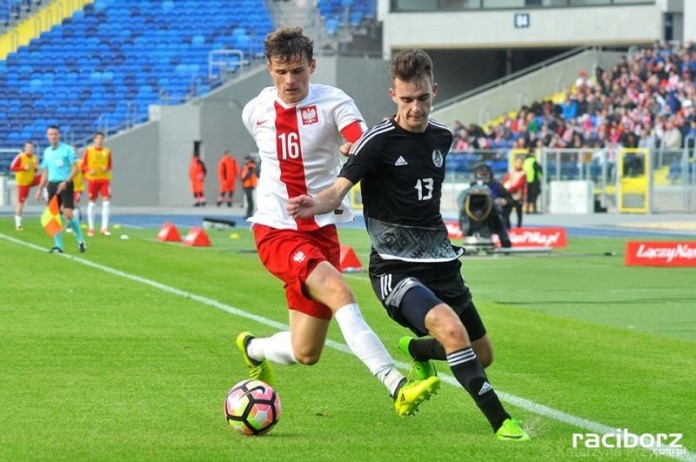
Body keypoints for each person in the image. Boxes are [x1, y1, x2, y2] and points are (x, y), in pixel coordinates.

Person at [288, 48, 530, 441]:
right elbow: (337, 191)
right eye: (406, 100)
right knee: (452, 331)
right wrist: (314, 203)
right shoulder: (376, 141)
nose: (415, 108)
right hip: (394, 269)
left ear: (433, 91)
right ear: (392, 96)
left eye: (422, 98)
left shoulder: (442, 137)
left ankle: (419, 352)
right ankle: (503, 422)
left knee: (482, 355)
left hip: (442, 263)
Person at [237, 26, 440, 418]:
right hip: (276, 231)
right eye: (281, 71)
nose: (290, 80)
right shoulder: (256, 110)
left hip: (321, 231)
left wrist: (351, 147)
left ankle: (253, 348)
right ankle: (396, 384)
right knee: (340, 291)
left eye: (297, 70)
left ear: (312, 66)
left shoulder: (334, 103)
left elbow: (358, 138)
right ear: (269, 69)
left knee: (306, 351)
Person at [34, 125, 86, 254]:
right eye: (51, 134)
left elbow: (75, 169)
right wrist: (40, 189)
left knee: (68, 213)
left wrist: (66, 181)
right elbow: (46, 171)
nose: (53, 136)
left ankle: (80, 240)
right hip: (52, 185)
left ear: (59, 135)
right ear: (47, 136)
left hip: (66, 184)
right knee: (54, 216)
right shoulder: (46, 152)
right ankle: (58, 246)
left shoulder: (67, 149)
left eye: (55, 134)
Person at [82, 132, 113, 236]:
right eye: (97, 138)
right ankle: (91, 228)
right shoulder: (89, 151)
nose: (99, 140)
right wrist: (89, 170)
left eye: (101, 138)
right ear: (94, 140)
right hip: (93, 180)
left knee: (106, 202)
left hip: (104, 179)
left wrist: (106, 168)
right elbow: (83, 165)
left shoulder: (107, 151)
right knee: (92, 202)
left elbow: (110, 165)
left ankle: (104, 228)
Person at [10, 141, 40, 231]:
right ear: (25, 148)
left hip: (31, 179)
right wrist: (23, 168)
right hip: (23, 183)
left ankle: (46, 193)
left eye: (31, 147)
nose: (30, 149)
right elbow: (12, 167)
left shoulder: (34, 157)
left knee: (45, 177)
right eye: (28, 147)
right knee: (21, 203)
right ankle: (18, 224)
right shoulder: (20, 157)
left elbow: (34, 170)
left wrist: (35, 168)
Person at [502, 156, 527, 228]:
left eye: (520, 163)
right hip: (509, 195)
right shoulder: (511, 172)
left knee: (519, 213)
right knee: (507, 212)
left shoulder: (523, 173)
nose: (518, 164)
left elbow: (520, 184)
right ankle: (508, 227)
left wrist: (510, 188)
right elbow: (505, 180)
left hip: (518, 195)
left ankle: (519, 227)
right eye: (517, 162)